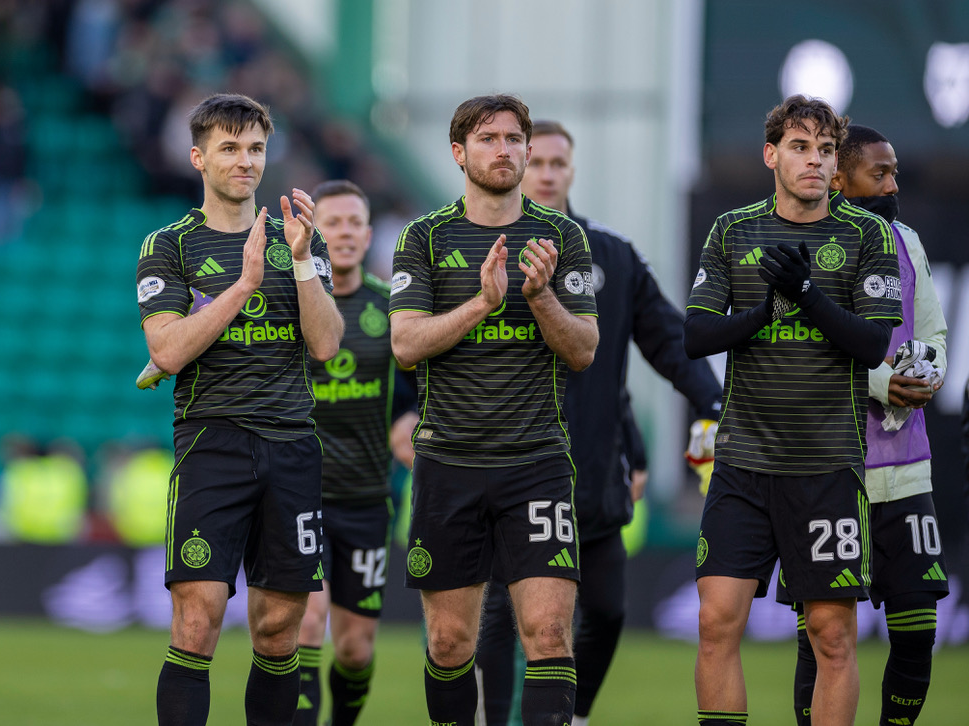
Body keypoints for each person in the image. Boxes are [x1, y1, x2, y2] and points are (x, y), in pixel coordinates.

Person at [474, 119, 725, 726]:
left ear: (571, 170)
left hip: (591, 473)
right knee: (503, 618)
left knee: (609, 610)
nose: (549, 173)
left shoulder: (611, 254)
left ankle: (575, 716)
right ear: (522, 168)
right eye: (539, 162)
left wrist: (711, 406)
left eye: (560, 162)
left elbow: (668, 340)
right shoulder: (479, 248)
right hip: (507, 470)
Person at [684, 95, 901, 726]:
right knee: (714, 621)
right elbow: (696, 335)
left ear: (837, 164)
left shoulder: (865, 235)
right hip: (744, 465)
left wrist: (806, 294)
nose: (814, 161)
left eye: (826, 150)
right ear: (771, 154)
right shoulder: (733, 229)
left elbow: (874, 344)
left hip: (827, 468)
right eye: (800, 147)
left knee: (832, 637)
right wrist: (762, 314)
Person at [389, 94, 599, 726]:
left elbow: (584, 349)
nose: (504, 149)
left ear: (529, 150)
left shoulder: (562, 237)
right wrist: (483, 303)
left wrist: (539, 299)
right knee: (451, 644)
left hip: (535, 463)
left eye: (514, 138)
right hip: (448, 462)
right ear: (459, 152)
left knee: (548, 636)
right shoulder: (424, 237)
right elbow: (404, 345)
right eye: (487, 139)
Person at [135, 92, 344, 726]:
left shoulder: (300, 239)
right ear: (199, 157)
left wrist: (303, 261)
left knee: (281, 628)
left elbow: (327, 344)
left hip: (290, 444)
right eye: (230, 148)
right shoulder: (167, 244)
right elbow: (167, 350)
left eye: (255, 148)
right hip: (212, 443)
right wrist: (244, 286)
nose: (245, 160)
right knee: (196, 616)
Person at [776, 124, 949, 726]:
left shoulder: (906, 241)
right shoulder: (806, 245)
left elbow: (932, 331)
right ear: (842, 181)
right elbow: (801, 346)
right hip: (828, 466)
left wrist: (930, 371)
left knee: (918, 627)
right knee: (824, 637)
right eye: (881, 174)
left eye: (895, 171)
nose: (894, 184)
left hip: (907, 469)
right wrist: (882, 382)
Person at [293, 180, 419, 726]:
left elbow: (412, 400)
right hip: (299, 495)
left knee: (355, 650)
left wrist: (406, 429)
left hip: (367, 501)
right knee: (305, 623)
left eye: (353, 223)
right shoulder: (288, 302)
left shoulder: (392, 308)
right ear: (313, 232)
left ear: (369, 235)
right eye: (333, 222)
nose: (344, 232)